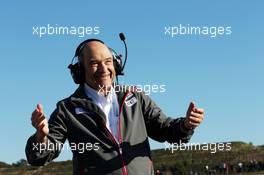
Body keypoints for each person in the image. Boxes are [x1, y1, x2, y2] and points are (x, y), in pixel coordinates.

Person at [25, 39, 205, 175]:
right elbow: (38, 157)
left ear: (116, 64)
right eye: (94, 63)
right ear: (80, 71)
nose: (104, 69)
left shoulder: (135, 96)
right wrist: (41, 137)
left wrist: (186, 125)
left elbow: (166, 129)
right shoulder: (67, 109)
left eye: (108, 61)